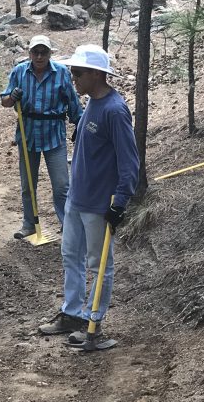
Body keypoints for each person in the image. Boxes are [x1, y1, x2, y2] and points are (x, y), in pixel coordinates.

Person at [38, 44, 140, 338]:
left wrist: (120, 202)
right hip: (77, 198)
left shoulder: (115, 110)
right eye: (72, 72)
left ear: (96, 74)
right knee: (71, 255)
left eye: (78, 73)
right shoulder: (91, 105)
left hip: (99, 203)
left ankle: (92, 321)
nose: (74, 78)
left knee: (99, 264)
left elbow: (129, 162)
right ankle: (72, 313)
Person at [0, 35, 82, 239]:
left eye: (43, 52)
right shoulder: (19, 71)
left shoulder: (61, 72)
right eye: (35, 52)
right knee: (28, 185)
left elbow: (72, 101)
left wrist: (79, 123)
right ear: (29, 53)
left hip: (54, 135)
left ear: (50, 53)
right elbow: (5, 101)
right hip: (27, 135)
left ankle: (68, 225)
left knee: (61, 185)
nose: (39, 56)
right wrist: (12, 97)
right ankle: (29, 224)